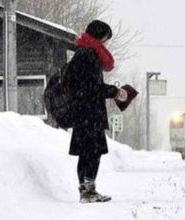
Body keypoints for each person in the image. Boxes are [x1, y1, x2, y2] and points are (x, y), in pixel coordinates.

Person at [65, 20, 128, 203]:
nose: (105, 43)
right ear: (99, 36)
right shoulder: (90, 55)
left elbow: (83, 86)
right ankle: (89, 192)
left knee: (86, 152)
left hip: (82, 113)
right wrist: (116, 92)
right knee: (92, 153)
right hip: (90, 114)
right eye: (105, 39)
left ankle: (85, 191)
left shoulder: (81, 53)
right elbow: (93, 87)